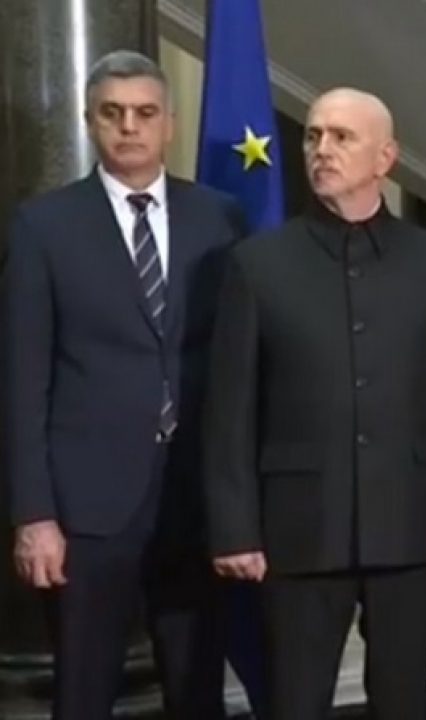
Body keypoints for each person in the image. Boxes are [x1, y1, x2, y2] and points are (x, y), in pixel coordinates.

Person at [201, 87, 426, 719]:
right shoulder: (257, 265)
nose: (321, 149)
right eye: (313, 135)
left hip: (410, 530)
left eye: (341, 137)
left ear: (386, 157)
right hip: (297, 530)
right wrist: (235, 529)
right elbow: (230, 412)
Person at [3, 50, 244, 719]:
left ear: (169, 123)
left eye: (144, 113)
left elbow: (235, 361)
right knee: (83, 694)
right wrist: (34, 517)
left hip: (194, 498)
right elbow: (23, 381)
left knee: (198, 693)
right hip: (86, 510)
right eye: (112, 113)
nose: (129, 127)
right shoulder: (43, 226)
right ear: (90, 122)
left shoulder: (220, 217)